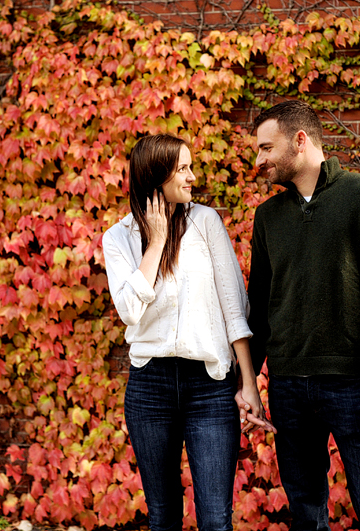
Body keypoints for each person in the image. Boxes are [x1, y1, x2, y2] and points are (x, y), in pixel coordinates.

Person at [243, 100, 360, 531]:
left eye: (266, 148)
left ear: (300, 141)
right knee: (305, 510)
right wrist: (247, 383)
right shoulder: (267, 217)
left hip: (356, 387)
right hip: (287, 389)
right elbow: (260, 308)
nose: (258, 160)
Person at [102, 134, 275, 531]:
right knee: (163, 517)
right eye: (182, 168)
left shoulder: (206, 222)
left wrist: (249, 382)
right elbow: (129, 311)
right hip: (150, 387)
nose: (192, 176)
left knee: (215, 519)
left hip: (209, 387)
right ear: (156, 176)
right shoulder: (118, 238)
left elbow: (235, 308)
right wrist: (157, 242)